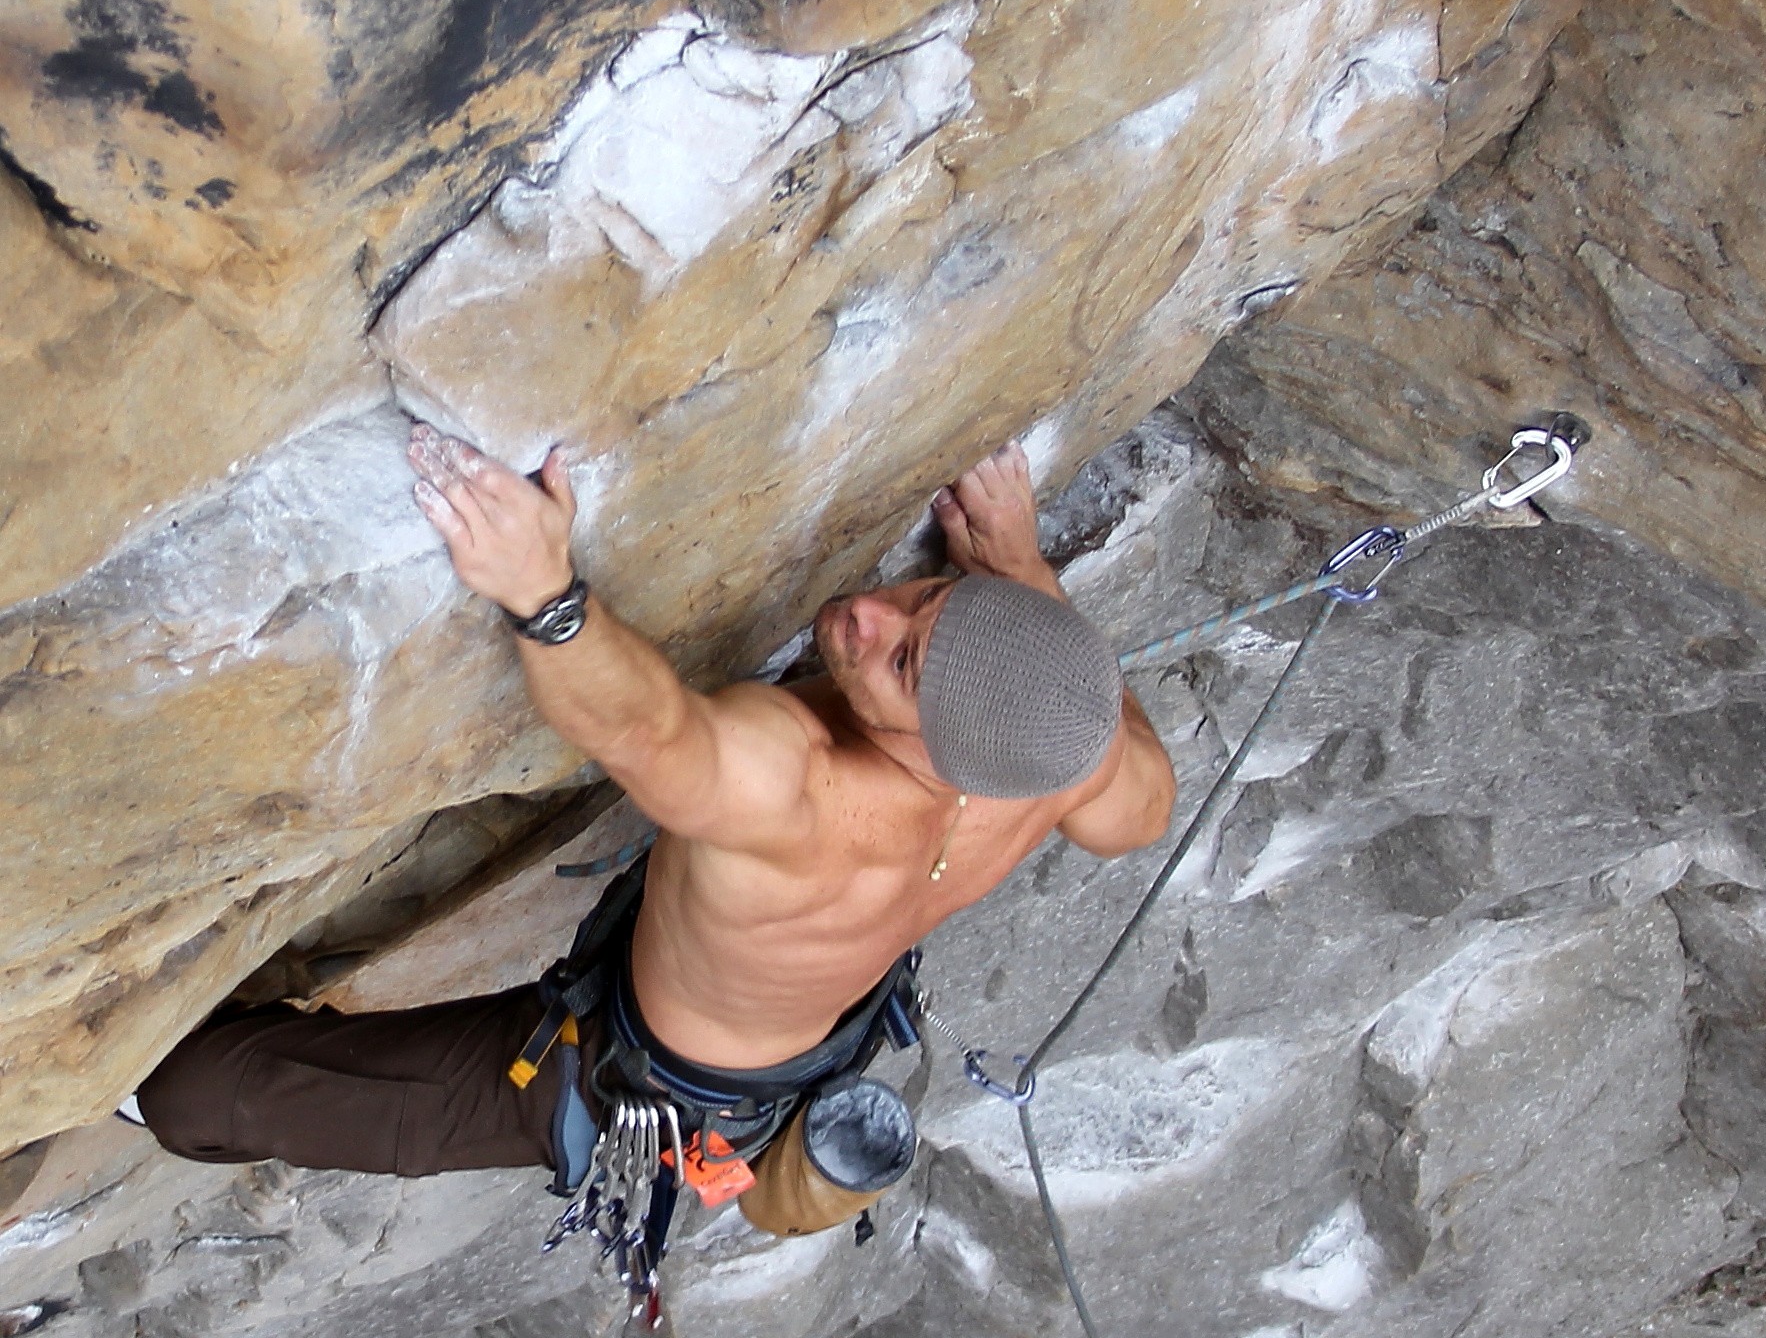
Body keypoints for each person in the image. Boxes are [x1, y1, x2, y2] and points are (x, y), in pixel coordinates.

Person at [137, 435, 1176, 1264]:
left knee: (193, 1093)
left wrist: (542, 594)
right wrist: (1019, 568)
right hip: (810, 1032)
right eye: (927, 599)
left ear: (938, 752)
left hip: (623, 1084)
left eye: (898, 662)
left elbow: (650, 732)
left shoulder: (799, 789)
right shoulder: (1054, 758)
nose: (865, 614)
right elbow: (1141, 811)